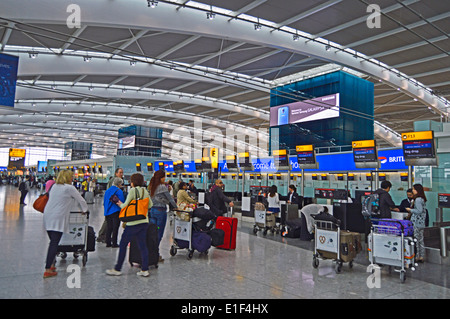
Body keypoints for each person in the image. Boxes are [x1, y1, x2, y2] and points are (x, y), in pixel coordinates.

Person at [42, 170, 88, 278]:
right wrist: (85, 210)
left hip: (48, 215)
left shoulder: (54, 186)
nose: (73, 178)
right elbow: (81, 200)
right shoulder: (69, 188)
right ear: (67, 178)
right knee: (54, 243)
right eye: (71, 176)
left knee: (53, 242)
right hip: (57, 217)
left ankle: (52, 264)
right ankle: (48, 269)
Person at [106, 173, 153, 277]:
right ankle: (145, 270)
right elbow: (150, 205)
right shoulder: (145, 191)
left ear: (133, 182)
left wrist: (117, 202)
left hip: (133, 223)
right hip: (144, 221)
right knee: (143, 246)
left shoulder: (132, 191)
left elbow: (124, 205)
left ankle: (117, 268)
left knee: (123, 244)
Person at [148, 170, 177, 262]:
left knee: (152, 233)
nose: (165, 178)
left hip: (152, 211)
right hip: (160, 212)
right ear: (161, 177)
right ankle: (155, 255)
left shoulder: (151, 186)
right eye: (164, 177)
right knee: (159, 234)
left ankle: (150, 253)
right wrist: (176, 207)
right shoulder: (162, 187)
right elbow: (170, 199)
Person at [98, 168, 124, 243]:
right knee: (109, 223)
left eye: (122, 173)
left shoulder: (118, 180)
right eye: (120, 172)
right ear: (116, 173)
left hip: (110, 205)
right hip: (112, 206)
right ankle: (102, 235)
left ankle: (107, 239)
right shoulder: (114, 181)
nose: (121, 174)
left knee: (109, 223)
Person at [405, 184, 427, 263]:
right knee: (420, 240)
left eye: (414, 189)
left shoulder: (417, 199)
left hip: (416, 222)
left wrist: (410, 210)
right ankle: (421, 255)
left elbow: (419, 211)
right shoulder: (422, 199)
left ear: (417, 190)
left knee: (416, 240)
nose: (413, 191)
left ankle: (417, 256)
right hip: (421, 222)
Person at [103, 177, 125, 248]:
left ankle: (108, 242)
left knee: (109, 227)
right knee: (115, 227)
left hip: (107, 211)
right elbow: (122, 202)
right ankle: (114, 243)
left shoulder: (107, 191)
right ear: (119, 184)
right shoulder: (119, 191)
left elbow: (104, 202)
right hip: (115, 211)